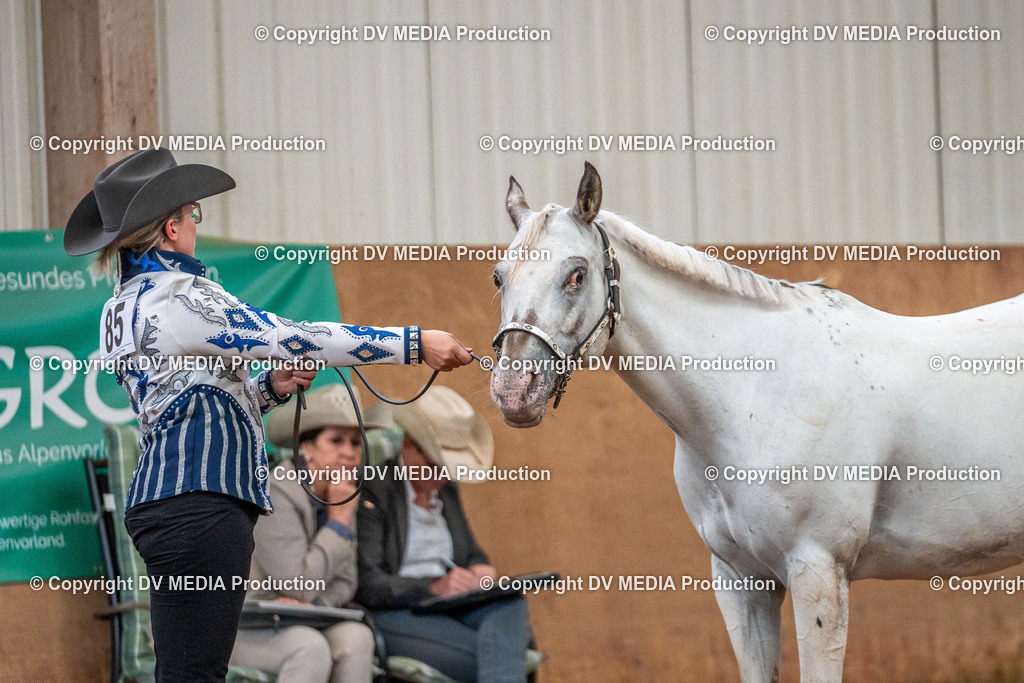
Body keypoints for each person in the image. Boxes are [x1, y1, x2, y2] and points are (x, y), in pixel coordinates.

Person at [63, 147, 473, 682]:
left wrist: (269, 387)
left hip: (166, 500)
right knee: (195, 673)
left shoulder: (121, 306)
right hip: (202, 503)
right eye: (192, 214)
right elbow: (294, 338)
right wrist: (414, 343)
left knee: (187, 668)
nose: (194, 225)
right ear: (170, 228)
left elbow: (186, 399)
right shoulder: (182, 298)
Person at [356, 386, 533, 682]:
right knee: (496, 655)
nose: (441, 477)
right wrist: (434, 586)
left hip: (452, 605)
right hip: (401, 610)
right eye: (435, 466)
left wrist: (480, 569)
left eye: (448, 470)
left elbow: (471, 552)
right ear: (408, 446)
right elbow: (368, 584)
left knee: (512, 603)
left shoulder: (445, 488)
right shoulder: (376, 489)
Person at [231, 383, 381, 682]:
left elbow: (348, 580)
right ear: (306, 447)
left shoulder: (340, 493)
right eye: (336, 440)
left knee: (357, 638)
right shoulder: (276, 490)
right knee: (309, 648)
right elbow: (297, 585)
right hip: (241, 623)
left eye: (355, 442)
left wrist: (316, 605)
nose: (349, 453)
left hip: (300, 619)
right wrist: (338, 522)